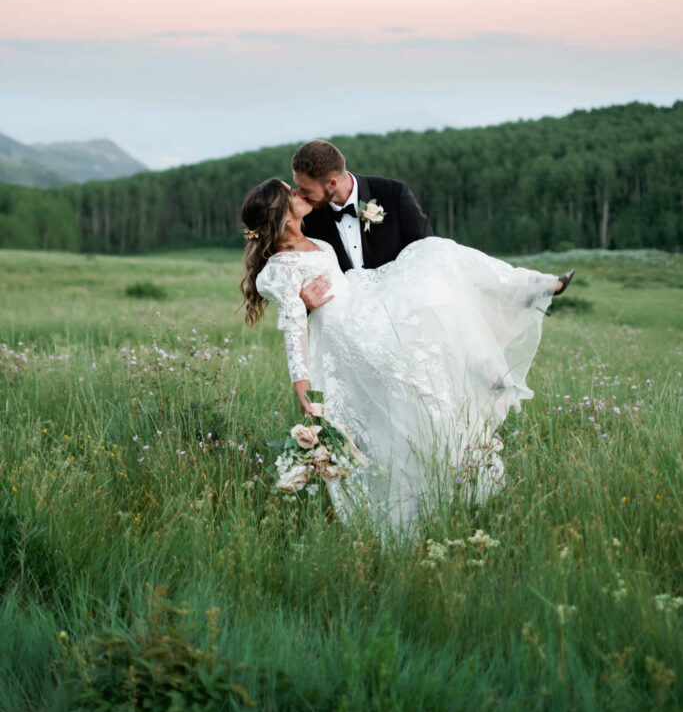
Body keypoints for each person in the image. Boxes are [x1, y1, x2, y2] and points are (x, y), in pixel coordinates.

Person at [241, 178, 574, 528]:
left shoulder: (316, 240)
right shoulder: (277, 270)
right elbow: (293, 328)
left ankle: (525, 291)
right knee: (413, 386)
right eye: (291, 192)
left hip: (365, 303)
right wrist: (302, 387)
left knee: (434, 254)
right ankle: (407, 505)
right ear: (283, 213)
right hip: (351, 334)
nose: (300, 194)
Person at [291, 140, 433, 311]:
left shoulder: (393, 194)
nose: (300, 195)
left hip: (401, 311)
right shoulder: (307, 218)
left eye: (306, 190)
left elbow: (427, 250)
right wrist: (302, 303)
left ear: (332, 183)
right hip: (345, 323)